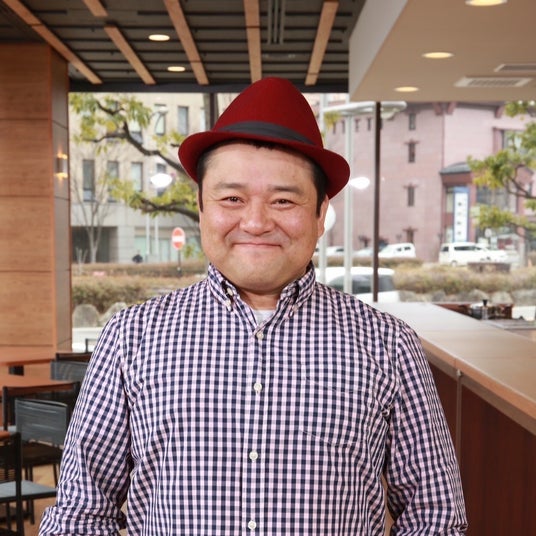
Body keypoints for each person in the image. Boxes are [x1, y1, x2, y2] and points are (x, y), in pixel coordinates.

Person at [39, 77, 467, 535]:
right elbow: (80, 515)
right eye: (232, 198)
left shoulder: (388, 344)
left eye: (283, 200)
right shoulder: (131, 337)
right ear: (201, 208)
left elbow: (435, 514)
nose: (256, 222)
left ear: (321, 213)